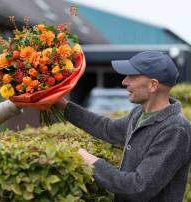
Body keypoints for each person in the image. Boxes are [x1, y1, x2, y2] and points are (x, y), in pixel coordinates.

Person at [55, 51, 191, 202]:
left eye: (131, 76)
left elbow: (137, 187)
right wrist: (63, 105)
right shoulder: (139, 113)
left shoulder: (175, 130)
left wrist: (92, 162)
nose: (124, 82)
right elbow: (106, 128)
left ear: (153, 85)